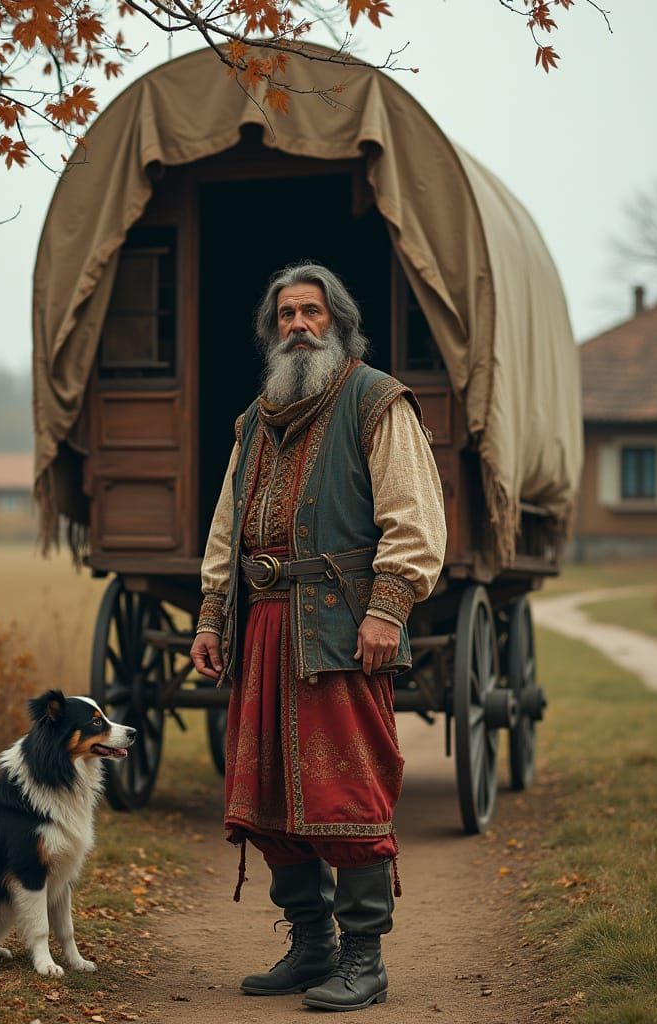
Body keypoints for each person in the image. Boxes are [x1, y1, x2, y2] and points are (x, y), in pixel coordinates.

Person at [189, 263, 447, 1012]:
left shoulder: (376, 400)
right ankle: (311, 946)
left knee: (345, 793)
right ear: (273, 331)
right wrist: (212, 616)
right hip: (262, 623)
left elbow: (414, 517)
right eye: (286, 315)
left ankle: (364, 958)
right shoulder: (256, 418)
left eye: (313, 312)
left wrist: (388, 607)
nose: (298, 325)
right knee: (266, 793)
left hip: (339, 624)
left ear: (339, 322)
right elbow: (225, 529)